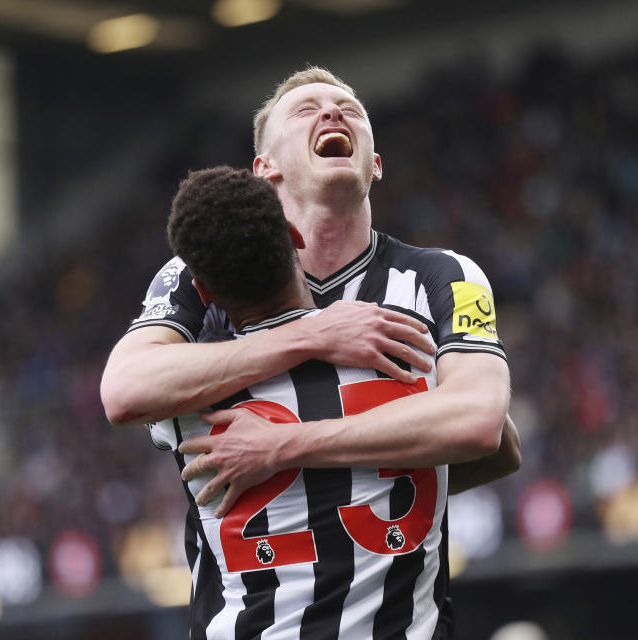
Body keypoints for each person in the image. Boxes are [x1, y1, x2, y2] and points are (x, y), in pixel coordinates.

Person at [102, 67, 520, 637]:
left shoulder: (443, 275)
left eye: (350, 108)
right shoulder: (205, 268)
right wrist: (312, 336)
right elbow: (124, 389)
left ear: (375, 163)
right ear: (263, 169)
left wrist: (289, 447)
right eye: (305, 110)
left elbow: (487, 431)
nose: (332, 112)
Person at [156, 165, 444, 639]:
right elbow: (492, 442)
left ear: (204, 292)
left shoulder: (181, 404)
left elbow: (127, 392)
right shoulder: (409, 350)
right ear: (295, 236)